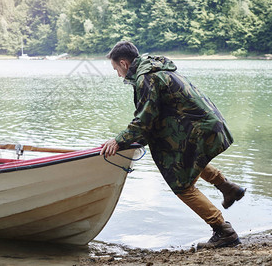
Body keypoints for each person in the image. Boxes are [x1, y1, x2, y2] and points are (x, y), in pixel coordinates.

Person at [100, 41, 246, 249]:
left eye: (116, 69)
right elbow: (152, 119)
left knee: (183, 187)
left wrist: (118, 140)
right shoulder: (155, 68)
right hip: (205, 124)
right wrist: (131, 139)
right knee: (186, 162)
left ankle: (224, 231)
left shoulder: (146, 78)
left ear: (123, 63)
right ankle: (228, 187)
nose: (118, 75)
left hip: (197, 129)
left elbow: (144, 120)